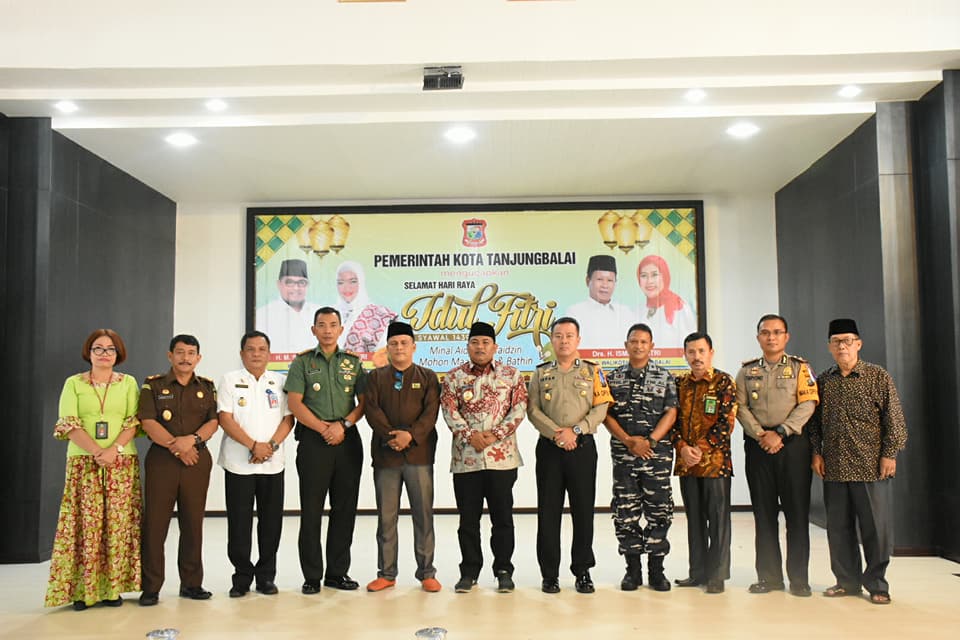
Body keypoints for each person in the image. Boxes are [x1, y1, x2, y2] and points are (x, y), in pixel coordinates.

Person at [808, 318, 907, 605]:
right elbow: (814, 424)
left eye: (848, 340)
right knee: (838, 529)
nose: (842, 346)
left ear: (858, 344)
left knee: (875, 529)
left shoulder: (877, 377)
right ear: (829, 347)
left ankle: (877, 584)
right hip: (835, 467)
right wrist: (816, 452)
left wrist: (889, 453)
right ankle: (846, 581)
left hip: (870, 467)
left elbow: (894, 419)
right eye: (836, 341)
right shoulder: (824, 381)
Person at [45, 329, 142, 611]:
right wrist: (97, 451)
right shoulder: (73, 383)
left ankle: (112, 589)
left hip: (121, 462)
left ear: (118, 354)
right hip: (83, 462)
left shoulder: (128, 383)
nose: (104, 354)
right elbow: (68, 422)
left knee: (117, 526)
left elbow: (134, 421)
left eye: (110, 349)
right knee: (85, 527)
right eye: (98, 348)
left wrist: (113, 450)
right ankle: (83, 591)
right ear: (88, 352)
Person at [527, 317, 614, 594]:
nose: (563, 340)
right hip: (550, 449)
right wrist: (557, 434)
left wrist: (575, 431)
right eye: (558, 336)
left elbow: (601, 408)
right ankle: (549, 574)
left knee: (583, 511)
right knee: (548, 512)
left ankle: (583, 571)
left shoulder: (593, 371)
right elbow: (533, 410)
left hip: (582, 448)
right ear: (552, 339)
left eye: (569, 336)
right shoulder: (541, 373)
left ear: (578, 339)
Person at [441, 321, 528, 594]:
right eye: (475, 342)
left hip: (502, 460)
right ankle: (469, 572)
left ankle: (504, 571)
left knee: (502, 519)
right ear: (467, 346)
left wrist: (493, 435)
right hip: (466, 460)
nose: (480, 347)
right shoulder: (453, 378)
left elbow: (519, 409)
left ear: (495, 347)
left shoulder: (511, 376)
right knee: (468, 521)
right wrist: (470, 436)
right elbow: (449, 411)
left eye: (485, 342)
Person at [735, 314, 819, 597]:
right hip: (758, 447)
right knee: (764, 515)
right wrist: (761, 434)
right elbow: (739, 407)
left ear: (786, 337)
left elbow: (808, 404)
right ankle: (769, 577)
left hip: (792, 447)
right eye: (765, 332)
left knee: (797, 515)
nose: (771, 337)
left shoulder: (800, 368)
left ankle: (799, 580)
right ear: (758, 337)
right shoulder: (746, 372)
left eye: (777, 332)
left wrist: (780, 433)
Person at [284, 306, 367, 594]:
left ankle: (337, 573)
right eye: (322, 325)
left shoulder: (353, 363)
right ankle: (311, 575)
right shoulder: (302, 362)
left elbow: (364, 403)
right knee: (311, 510)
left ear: (341, 329)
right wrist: (323, 428)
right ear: (314, 329)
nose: (328, 330)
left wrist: (343, 426)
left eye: (333, 325)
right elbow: (294, 403)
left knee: (344, 509)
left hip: (347, 441)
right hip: (314, 442)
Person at [138, 334, 219, 606]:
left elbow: (213, 422)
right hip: (163, 460)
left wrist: (191, 441)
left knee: (193, 523)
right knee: (155, 525)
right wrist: (177, 447)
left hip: (197, 460)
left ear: (198, 358)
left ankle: (192, 584)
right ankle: (151, 588)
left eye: (191, 353)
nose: (186, 358)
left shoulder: (206, 387)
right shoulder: (153, 385)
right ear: (170, 355)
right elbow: (148, 422)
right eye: (180, 352)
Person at [363, 321, 443, 593]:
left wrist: (410, 436)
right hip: (386, 457)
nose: (399, 348)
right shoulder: (375, 378)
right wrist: (391, 437)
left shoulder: (428, 377)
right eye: (394, 343)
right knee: (387, 518)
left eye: (404, 343)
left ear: (414, 347)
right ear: (387, 347)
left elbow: (430, 413)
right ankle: (386, 573)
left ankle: (427, 572)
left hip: (419, 456)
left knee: (424, 515)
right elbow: (372, 411)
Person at [217, 331, 294, 597]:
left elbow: (288, 419)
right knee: (239, 524)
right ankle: (241, 578)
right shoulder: (230, 380)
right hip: (239, 464)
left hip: (273, 464)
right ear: (242, 354)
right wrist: (253, 446)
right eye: (251, 349)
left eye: (262, 349)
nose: (256, 354)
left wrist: (269, 447)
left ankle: (266, 577)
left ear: (269, 353)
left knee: (271, 524)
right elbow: (225, 419)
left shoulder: (280, 381)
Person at [603, 323, 678, 592]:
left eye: (643, 342)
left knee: (660, 511)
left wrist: (651, 441)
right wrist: (628, 441)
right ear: (626, 345)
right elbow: (605, 414)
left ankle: (657, 571)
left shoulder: (664, 376)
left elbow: (671, 412)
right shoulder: (613, 378)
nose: (638, 346)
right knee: (625, 512)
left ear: (651, 346)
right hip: (625, 456)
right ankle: (632, 571)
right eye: (633, 341)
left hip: (656, 456)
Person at [671, 332, 737, 594]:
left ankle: (717, 575)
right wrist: (682, 447)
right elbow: (671, 421)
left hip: (715, 464)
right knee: (695, 520)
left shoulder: (724, 382)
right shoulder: (679, 383)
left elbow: (726, 423)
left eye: (701, 351)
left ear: (711, 352)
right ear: (685, 354)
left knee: (718, 521)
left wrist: (699, 448)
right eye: (691, 352)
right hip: (687, 464)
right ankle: (696, 572)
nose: (696, 357)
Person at [565, 255, 634, 350]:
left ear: (615, 283)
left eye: (610, 280)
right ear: (588, 281)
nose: (605, 285)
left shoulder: (625, 312)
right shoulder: (575, 312)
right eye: (599, 279)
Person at [255, 258, 320, 354]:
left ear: (307, 285)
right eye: (289, 282)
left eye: (301, 283)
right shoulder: (263, 315)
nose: (296, 288)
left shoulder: (318, 312)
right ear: (279, 284)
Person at [335, 260, 397, 354]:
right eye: (341, 282)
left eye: (353, 281)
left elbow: (385, 352)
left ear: (361, 282)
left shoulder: (378, 314)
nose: (346, 287)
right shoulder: (329, 313)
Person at [636, 255, 697, 349]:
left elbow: (691, 345)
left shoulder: (679, 308)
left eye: (654, 275)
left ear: (665, 276)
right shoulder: (639, 310)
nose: (649, 281)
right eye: (644, 276)